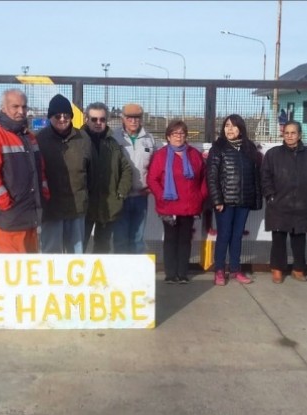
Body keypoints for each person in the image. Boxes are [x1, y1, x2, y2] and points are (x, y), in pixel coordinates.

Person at [0, 89, 48, 253]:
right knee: (12, 271)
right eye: (15, 106)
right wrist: (5, 204)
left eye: (24, 107)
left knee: (29, 269)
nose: (21, 111)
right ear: (3, 108)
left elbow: (39, 170)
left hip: (30, 216)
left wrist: (44, 193)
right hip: (11, 218)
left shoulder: (29, 137)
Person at [261, 121, 307, 284]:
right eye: (287, 133)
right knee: (278, 240)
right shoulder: (273, 154)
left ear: (300, 135)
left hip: (303, 205)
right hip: (279, 205)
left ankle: (298, 269)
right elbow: (265, 177)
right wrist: (270, 196)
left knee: (299, 240)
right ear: (283, 135)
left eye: (293, 133)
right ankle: (277, 270)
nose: (290, 136)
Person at [147, 120, 208, 284]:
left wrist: (200, 196)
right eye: (175, 134)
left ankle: (182, 273)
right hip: (169, 206)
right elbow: (152, 179)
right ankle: (170, 273)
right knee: (170, 239)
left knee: (184, 240)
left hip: (189, 205)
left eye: (181, 133)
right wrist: (161, 196)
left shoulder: (194, 154)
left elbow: (204, 178)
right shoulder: (161, 156)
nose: (178, 137)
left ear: (186, 136)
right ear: (168, 136)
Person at [206, 114, 263, 286]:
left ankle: (236, 269)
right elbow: (211, 177)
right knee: (224, 235)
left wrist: (256, 200)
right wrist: (217, 200)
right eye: (227, 126)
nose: (229, 129)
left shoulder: (249, 148)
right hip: (224, 202)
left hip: (243, 201)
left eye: (233, 126)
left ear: (241, 129)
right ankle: (219, 271)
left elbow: (255, 176)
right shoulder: (218, 148)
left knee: (237, 236)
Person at [36, 94, 91, 254]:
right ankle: (50, 280)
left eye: (66, 115)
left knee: (76, 253)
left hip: (77, 207)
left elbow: (91, 170)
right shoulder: (40, 139)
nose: (62, 119)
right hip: (51, 209)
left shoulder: (83, 138)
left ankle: (76, 280)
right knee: (51, 253)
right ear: (50, 117)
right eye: (57, 116)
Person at [82, 102, 132, 253]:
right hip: (84, 206)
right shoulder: (77, 141)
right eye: (94, 119)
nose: (98, 123)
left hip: (108, 205)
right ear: (86, 119)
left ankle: (97, 276)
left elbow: (126, 169)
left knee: (103, 245)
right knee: (79, 244)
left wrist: (121, 194)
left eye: (102, 119)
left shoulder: (112, 143)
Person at [112, 103, 158, 254]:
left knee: (137, 239)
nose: (133, 121)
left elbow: (156, 167)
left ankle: (135, 275)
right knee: (120, 238)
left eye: (137, 117)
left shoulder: (149, 139)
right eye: (129, 117)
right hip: (120, 197)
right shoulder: (114, 137)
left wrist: (151, 186)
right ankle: (120, 275)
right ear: (123, 119)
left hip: (141, 196)